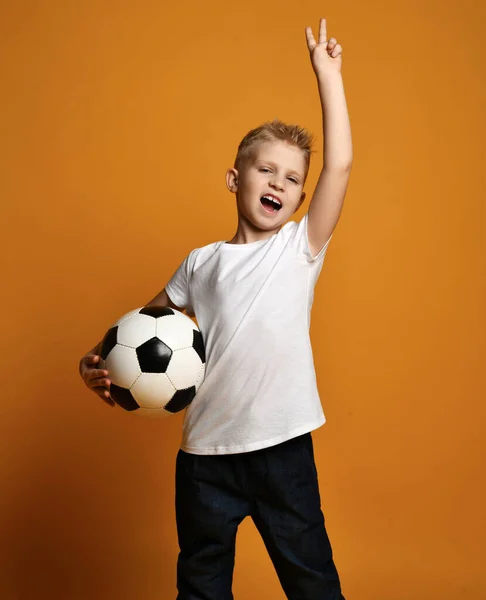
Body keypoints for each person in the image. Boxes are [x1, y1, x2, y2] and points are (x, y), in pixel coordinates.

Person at [79, 18, 353, 600]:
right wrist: (95, 362)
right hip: (205, 455)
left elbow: (341, 166)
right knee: (201, 583)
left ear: (302, 200)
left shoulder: (299, 248)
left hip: (283, 450)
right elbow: (138, 327)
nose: (278, 182)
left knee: (311, 579)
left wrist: (328, 76)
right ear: (235, 178)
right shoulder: (200, 264)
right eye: (265, 169)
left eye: (292, 178)